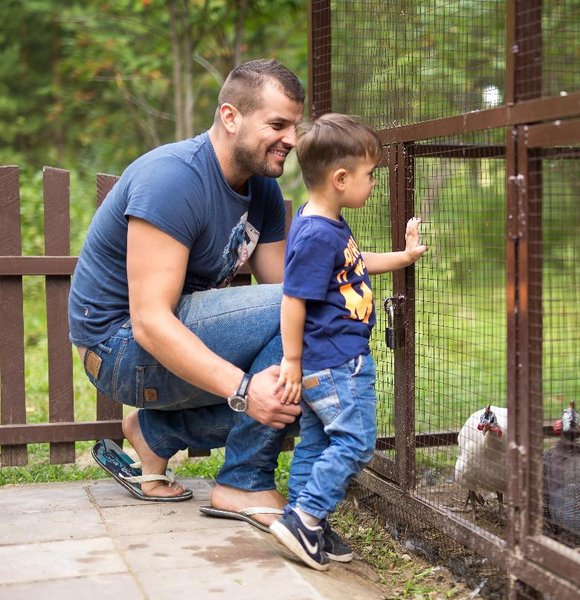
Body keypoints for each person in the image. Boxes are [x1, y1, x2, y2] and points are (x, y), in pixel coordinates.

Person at [68, 58, 304, 527]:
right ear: (230, 116)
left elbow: (284, 286)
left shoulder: (263, 191)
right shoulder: (173, 178)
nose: (292, 139)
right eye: (278, 125)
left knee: (310, 360)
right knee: (301, 312)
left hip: (169, 339)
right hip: (118, 349)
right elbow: (150, 322)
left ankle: (156, 433)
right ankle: (243, 481)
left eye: (295, 126)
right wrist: (244, 391)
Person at [269, 113, 427, 570]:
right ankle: (304, 518)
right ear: (340, 179)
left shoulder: (324, 222)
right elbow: (293, 298)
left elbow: (353, 265)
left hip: (327, 361)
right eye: (370, 174)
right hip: (337, 363)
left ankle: (306, 524)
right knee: (356, 443)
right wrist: (291, 360)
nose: (374, 183)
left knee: (317, 443)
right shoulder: (318, 233)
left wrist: (403, 256)